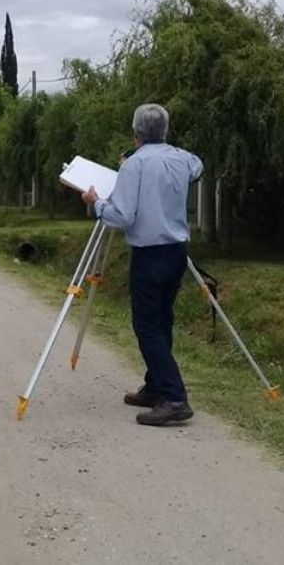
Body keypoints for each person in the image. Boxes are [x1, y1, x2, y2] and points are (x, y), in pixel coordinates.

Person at [82, 104, 203, 427]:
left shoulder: (133, 166)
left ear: (136, 134)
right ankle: (155, 386)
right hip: (176, 251)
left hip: (149, 254)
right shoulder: (182, 158)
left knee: (147, 325)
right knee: (162, 321)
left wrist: (96, 204)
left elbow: (122, 216)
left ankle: (175, 397)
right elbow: (198, 166)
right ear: (164, 131)